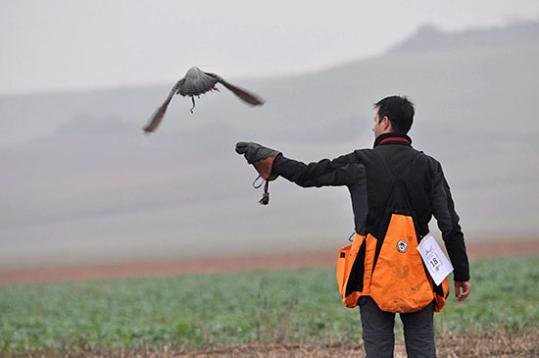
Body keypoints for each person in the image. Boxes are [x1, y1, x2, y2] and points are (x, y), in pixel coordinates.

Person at [235, 95, 471, 357]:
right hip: (418, 272)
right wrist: (461, 273)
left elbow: (309, 175)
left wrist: (273, 161)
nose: (373, 127)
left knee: (378, 350)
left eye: (375, 120)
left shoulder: (361, 161)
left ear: (385, 122)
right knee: (423, 349)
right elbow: (449, 225)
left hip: (370, 272)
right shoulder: (430, 166)